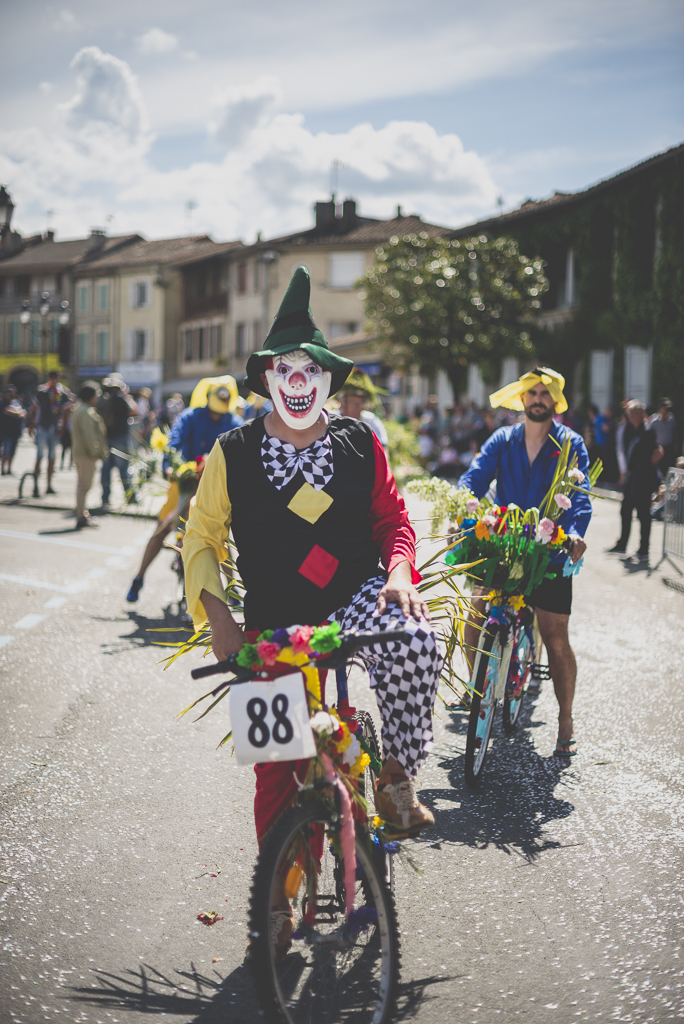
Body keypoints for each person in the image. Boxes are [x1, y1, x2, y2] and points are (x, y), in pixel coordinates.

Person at [182, 266, 441, 853]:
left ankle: (395, 778)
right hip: (274, 618)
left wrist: (399, 571)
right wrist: (218, 615)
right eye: (285, 369)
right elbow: (201, 537)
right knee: (277, 766)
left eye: (311, 370)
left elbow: (393, 520)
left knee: (416, 641)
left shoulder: (359, 441)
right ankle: (272, 905)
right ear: (268, 378)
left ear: (326, 378)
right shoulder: (233, 451)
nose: (298, 380)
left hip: (353, 601)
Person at [459, 368, 592, 757]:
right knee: (473, 617)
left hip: (550, 550)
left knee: (554, 637)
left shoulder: (570, 443)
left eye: (544, 393)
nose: (537, 398)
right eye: (531, 392)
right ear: (522, 399)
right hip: (505, 545)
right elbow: (473, 479)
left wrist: (578, 530)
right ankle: (480, 692)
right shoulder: (503, 439)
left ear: (554, 401)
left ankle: (566, 719)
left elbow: (580, 493)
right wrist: (465, 507)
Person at [125, 381, 243, 603]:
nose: (217, 415)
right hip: (185, 482)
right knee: (163, 527)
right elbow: (174, 440)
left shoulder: (234, 422)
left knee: (221, 535)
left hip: (216, 489)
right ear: (207, 398)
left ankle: (232, 588)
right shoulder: (191, 416)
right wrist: (169, 464)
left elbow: (242, 448)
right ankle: (139, 577)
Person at [608, 400, 663, 560]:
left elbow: (654, 454)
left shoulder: (648, 431)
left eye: (632, 414)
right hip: (632, 479)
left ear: (641, 414)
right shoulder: (632, 430)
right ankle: (622, 544)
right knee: (625, 510)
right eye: (629, 414)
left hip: (643, 480)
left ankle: (644, 549)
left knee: (643, 514)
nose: (630, 417)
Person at [27, 370, 72, 497]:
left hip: (55, 429)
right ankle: (35, 486)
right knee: (39, 456)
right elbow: (34, 409)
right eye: (51, 378)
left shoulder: (63, 394)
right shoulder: (42, 392)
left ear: (59, 379)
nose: (53, 381)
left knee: (52, 458)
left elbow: (66, 412)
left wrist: (63, 428)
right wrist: (31, 425)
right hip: (42, 427)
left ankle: (48, 485)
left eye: (55, 378)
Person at [71, 382, 108, 529]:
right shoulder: (86, 411)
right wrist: (96, 453)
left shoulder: (80, 409)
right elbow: (90, 436)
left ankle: (82, 514)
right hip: (86, 454)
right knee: (84, 486)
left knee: (83, 485)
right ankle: (81, 516)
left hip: (80, 452)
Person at [97, 375, 138, 510]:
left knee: (106, 470)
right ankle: (130, 496)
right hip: (121, 438)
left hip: (106, 437)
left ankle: (105, 498)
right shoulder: (121, 398)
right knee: (124, 469)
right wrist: (127, 396)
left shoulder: (103, 398)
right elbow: (134, 411)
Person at [334, 368, 389, 449]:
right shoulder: (331, 420)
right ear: (343, 403)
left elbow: (383, 449)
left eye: (359, 403)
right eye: (352, 403)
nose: (356, 407)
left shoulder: (371, 421)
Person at [1, 384, 26, 475]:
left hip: (15, 431)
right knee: (6, 451)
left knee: (12, 451)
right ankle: (3, 469)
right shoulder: (3, 402)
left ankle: (9, 469)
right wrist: (17, 413)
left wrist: (18, 412)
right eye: (9, 392)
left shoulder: (16, 402)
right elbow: (7, 411)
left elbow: (24, 412)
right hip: (6, 431)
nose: (11, 394)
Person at [648, 398, 677, 475]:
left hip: (669, 447)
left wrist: (675, 444)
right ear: (661, 408)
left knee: (669, 467)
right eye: (665, 408)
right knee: (660, 468)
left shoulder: (671, 418)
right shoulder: (654, 421)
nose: (667, 410)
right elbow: (649, 436)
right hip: (659, 448)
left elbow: (674, 432)